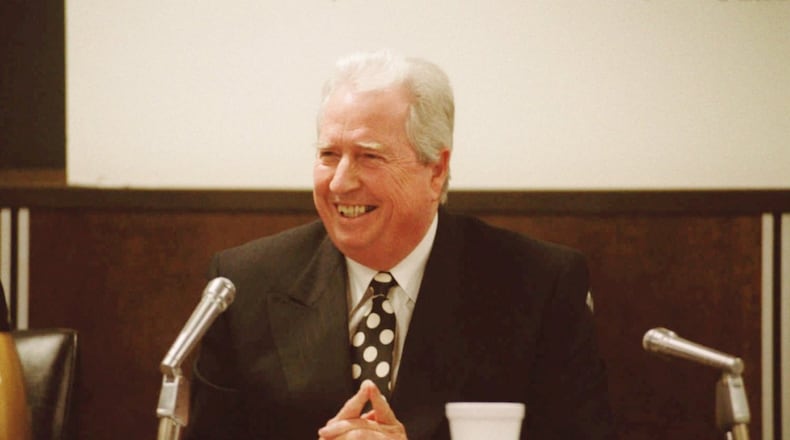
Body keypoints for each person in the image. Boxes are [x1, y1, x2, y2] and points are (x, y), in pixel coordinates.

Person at [184, 50, 615, 439]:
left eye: (369, 156)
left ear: (436, 170)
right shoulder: (244, 284)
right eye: (329, 154)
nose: (339, 182)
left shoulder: (538, 285)